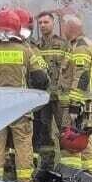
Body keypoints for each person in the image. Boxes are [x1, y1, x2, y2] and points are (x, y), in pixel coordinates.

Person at [0, 8, 50, 182]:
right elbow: (41, 78)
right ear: (17, 28)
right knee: (23, 144)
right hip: (20, 107)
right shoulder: (25, 51)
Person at [59, 14, 92, 172]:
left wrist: (74, 106)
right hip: (84, 102)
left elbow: (81, 77)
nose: (62, 30)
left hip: (78, 104)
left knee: (72, 142)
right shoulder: (76, 45)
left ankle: (71, 174)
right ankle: (90, 174)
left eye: (63, 26)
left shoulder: (81, 47)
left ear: (70, 28)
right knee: (83, 138)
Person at [33, 10, 69, 167]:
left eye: (45, 22)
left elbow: (69, 70)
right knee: (44, 132)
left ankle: (67, 165)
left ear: (53, 23)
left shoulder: (63, 45)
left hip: (59, 97)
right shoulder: (35, 46)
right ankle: (47, 165)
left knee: (65, 130)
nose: (42, 25)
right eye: (40, 23)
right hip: (43, 98)